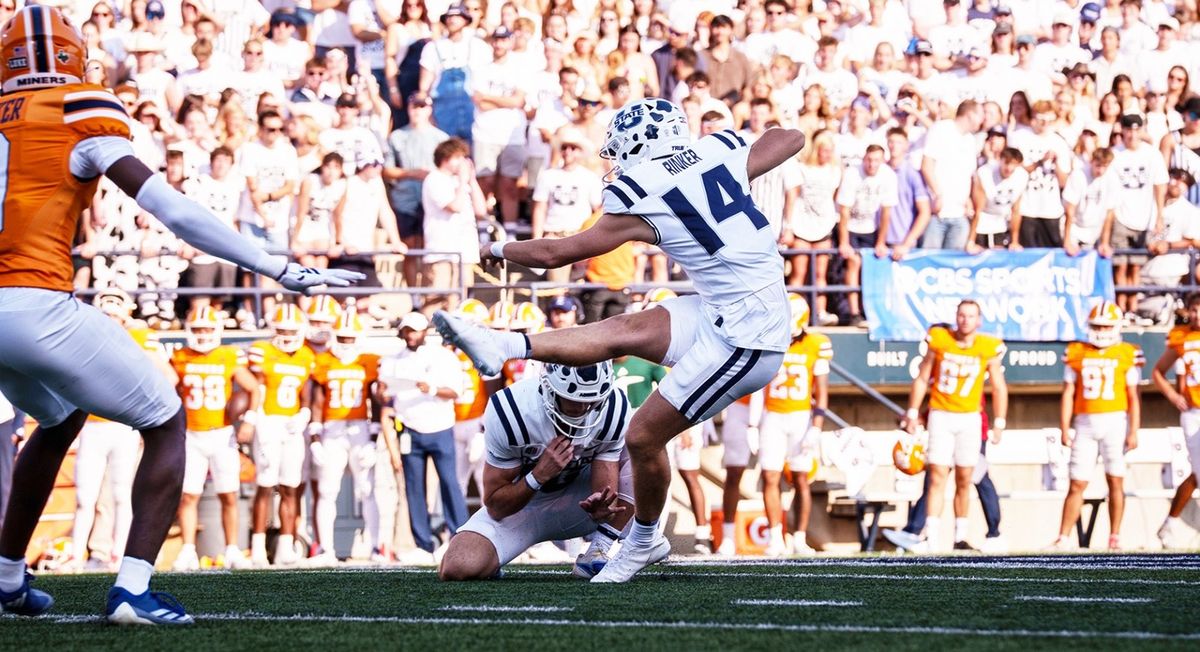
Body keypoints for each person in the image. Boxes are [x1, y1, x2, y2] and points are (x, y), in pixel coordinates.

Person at [0, 5, 361, 625]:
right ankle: (134, 591)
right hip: (34, 299)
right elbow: (174, 210)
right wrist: (273, 264)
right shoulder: (76, 108)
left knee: (59, 418)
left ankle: (6, 579)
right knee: (168, 420)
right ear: (69, 58)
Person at [433, 98, 805, 582]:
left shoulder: (644, 191)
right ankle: (505, 345)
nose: (616, 159)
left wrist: (494, 246)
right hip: (729, 305)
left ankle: (643, 543)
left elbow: (556, 252)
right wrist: (731, 160)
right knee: (622, 331)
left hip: (747, 333)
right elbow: (790, 137)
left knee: (643, 435)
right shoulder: (719, 151)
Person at [439, 360, 633, 581]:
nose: (582, 409)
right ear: (549, 389)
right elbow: (495, 506)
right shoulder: (512, 410)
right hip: (521, 508)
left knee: (645, 440)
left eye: (591, 401)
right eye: (574, 400)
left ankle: (605, 548)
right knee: (458, 566)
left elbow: (604, 488)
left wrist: (603, 506)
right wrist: (538, 475)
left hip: (578, 503)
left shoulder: (614, 405)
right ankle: (495, 554)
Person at [70, 290, 175, 572]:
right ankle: (76, 554)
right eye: (106, 314)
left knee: (120, 494)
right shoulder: (86, 337)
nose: (110, 320)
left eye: (115, 314)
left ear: (127, 314)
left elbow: (166, 376)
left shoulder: (140, 338)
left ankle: (118, 554)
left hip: (124, 426)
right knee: (86, 497)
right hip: (92, 425)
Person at [900, 300, 1008, 551]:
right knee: (937, 475)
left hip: (970, 417)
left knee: (965, 478)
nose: (965, 320)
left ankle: (960, 536)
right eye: (962, 315)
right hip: (941, 414)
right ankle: (932, 537)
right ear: (955, 317)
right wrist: (913, 412)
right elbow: (923, 377)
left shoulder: (987, 346)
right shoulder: (940, 339)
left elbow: (999, 386)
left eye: (971, 316)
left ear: (979, 320)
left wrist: (1000, 422)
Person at [170, 308, 259, 574]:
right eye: (198, 329)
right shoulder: (180, 357)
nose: (203, 334)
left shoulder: (229, 356)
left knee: (228, 493)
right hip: (191, 434)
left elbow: (253, 388)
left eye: (207, 329)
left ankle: (232, 549)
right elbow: (168, 385)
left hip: (221, 434)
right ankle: (188, 550)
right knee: (188, 495)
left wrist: (250, 420)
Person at [1051, 302, 1142, 551]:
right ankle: (1063, 537)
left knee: (1115, 481)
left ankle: (1115, 537)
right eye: (1097, 325)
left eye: (1106, 325)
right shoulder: (1077, 351)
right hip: (1085, 423)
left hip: (1116, 421)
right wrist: (1063, 426)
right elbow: (1068, 393)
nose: (1101, 330)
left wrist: (1134, 430)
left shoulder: (1127, 352)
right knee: (1077, 483)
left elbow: (1133, 396)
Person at [380, 311, 468, 563]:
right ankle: (422, 542)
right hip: (408, 427)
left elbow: (455, 391)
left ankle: (458, 535)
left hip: (440, 426)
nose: (411, 335)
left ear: (425, 332)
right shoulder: (392, 359)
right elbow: (384, 397)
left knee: (450, 482)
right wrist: (381, 390)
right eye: (407, 330)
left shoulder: (443, 357)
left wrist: (430, 389)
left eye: (415, 330)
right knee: (414, 487)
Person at [308, 309, 385, 565]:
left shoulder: (369, 361)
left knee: (368, 489)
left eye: (350, 338)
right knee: (328, 490)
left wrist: (374, 438)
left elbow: (375, 398)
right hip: (332, 428)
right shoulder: (324, 361)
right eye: (342, 337)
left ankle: (376, 547)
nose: (346, 343)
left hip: (360, 428)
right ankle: (325, 550)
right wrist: (315, 436)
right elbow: (318, 400)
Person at [244, 305, 317, 567]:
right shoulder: (262, 351)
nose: (287, 335)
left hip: (292, 425)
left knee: (291, 486)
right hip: (268, 421)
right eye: (282, 330)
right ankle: (258, 547)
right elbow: (254, 386)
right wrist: (256, 418)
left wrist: (305, 412)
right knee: (265, 484)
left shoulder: (306, 355)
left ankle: (287, 544)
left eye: (291, 330)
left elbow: (306, 390)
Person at [759, 295, 831, 556]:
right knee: (770, 475)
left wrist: (817, 426)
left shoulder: (815, 344)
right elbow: (758, 384)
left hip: (801, 418)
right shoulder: (769, 339)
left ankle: (799, 537)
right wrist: (753, 425)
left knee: (801, 478)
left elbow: (821, 391)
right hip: (773, 416)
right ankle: (775, 537)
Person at [1151, 292, 1200, 547]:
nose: (1198, 315)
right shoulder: (1182, 337)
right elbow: (1158, 371)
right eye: (1194, 309)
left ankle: (1169, 524)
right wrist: (1172, 394)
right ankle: (1169, 525)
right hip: (1195, 413)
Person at [531, 128, 604, 284]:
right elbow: (540, 209)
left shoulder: (590, 178)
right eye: (564, 147)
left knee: (582, 287)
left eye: (573, 148)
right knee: (557, 289)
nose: (568, 152)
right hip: (555, 236)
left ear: (580, 152)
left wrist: (593, 240)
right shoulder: (548, 176)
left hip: (580, 237)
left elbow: (597, 211)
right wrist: (537, 239)